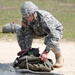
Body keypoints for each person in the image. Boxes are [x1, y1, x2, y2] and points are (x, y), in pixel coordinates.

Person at [16, 1, 64, 68]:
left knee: (51, 40)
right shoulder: (26, 17)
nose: (27, 18)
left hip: (54, 30)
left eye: (29, 16)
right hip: (38, 30)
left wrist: (45, 52)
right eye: (25, 16)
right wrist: (27, 48)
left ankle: (59, 57)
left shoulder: (45, 18)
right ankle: (26, 54)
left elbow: (52, 35)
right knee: (20, 31)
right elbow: (28, 32)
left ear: (34, 13)